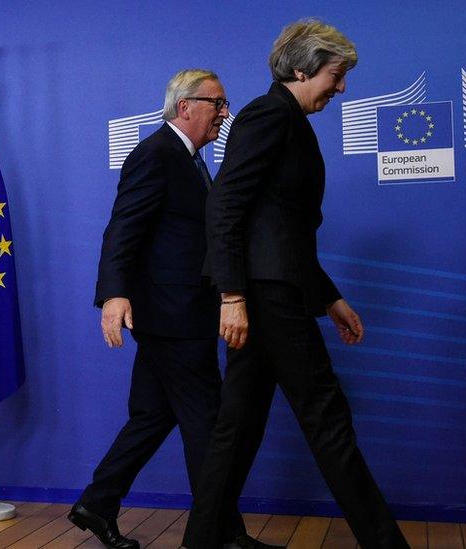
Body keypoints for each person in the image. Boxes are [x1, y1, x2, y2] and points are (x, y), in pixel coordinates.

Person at [181, 20, 410, 549]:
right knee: (327, 417)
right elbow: (226, 206)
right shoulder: (268, 115)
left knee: (235, 431)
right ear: (302, 69)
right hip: (265, 297)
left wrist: (330, 297)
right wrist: (232, 297)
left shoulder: (286, 120)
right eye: (336, 75)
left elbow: (279, 227)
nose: (342, 87)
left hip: (272, 291)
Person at [68, 70, 277, 549]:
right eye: (217, 103)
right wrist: (114, 294)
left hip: (178, 314)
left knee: (152, 415)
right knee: (208, 422)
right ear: (186, 107)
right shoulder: (155, 154)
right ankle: (223, 534)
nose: (226, 113)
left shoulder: (191, 159)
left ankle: (97, 504)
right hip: (173, 317)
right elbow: (121, 229)